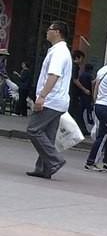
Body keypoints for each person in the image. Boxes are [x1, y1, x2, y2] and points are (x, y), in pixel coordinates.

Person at [25, 21, 72, 179]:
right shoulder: (61, 51)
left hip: (51, 99)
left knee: (33, 130)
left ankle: (55, 160)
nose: (47, 31)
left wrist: (42, 96)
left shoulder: (59, 52)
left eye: (50, 29)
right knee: (48, 135)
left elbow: (54, 75)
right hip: (58, 100)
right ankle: (44, 168)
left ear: (57, 32)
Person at [69, 49, 90, 134]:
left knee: (74, 112)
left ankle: (81, 129)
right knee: (77, 112)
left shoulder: (71, 65)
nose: (82, 61)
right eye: (82, 58)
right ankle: (81, 130)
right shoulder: (75, 67)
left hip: (71, 92)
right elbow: (75, 80)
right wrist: (84, 89)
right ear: (77, 58)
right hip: (73, 93)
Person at [79, 63, 94, 133]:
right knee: (89, 112)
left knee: (81, 112)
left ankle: (82, 128)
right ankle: (89, 127)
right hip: (88, 96)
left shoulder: (81, 75)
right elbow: (92, 85)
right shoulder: (90, 76)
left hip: (81, 96)